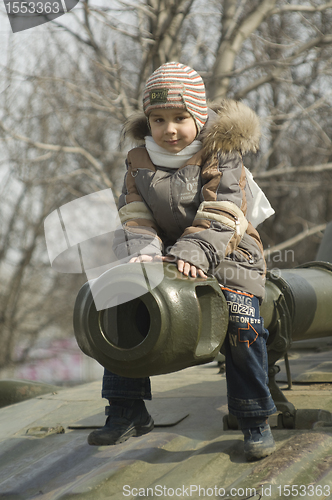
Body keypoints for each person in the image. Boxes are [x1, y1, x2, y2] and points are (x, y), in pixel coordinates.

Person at [87, 62, 277, 461]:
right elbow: (135, 213)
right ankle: (125, 409)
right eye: (158, 119)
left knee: (242, 320)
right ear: (148, 121)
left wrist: (192, 253)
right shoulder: (138, 159)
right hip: (165, 253)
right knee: (121, 302)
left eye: (180, 118)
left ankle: (254, 416)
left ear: (200, 117)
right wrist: (142, 248)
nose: (169, 129)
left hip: (228, 251)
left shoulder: (221, 155)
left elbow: (223, 211)